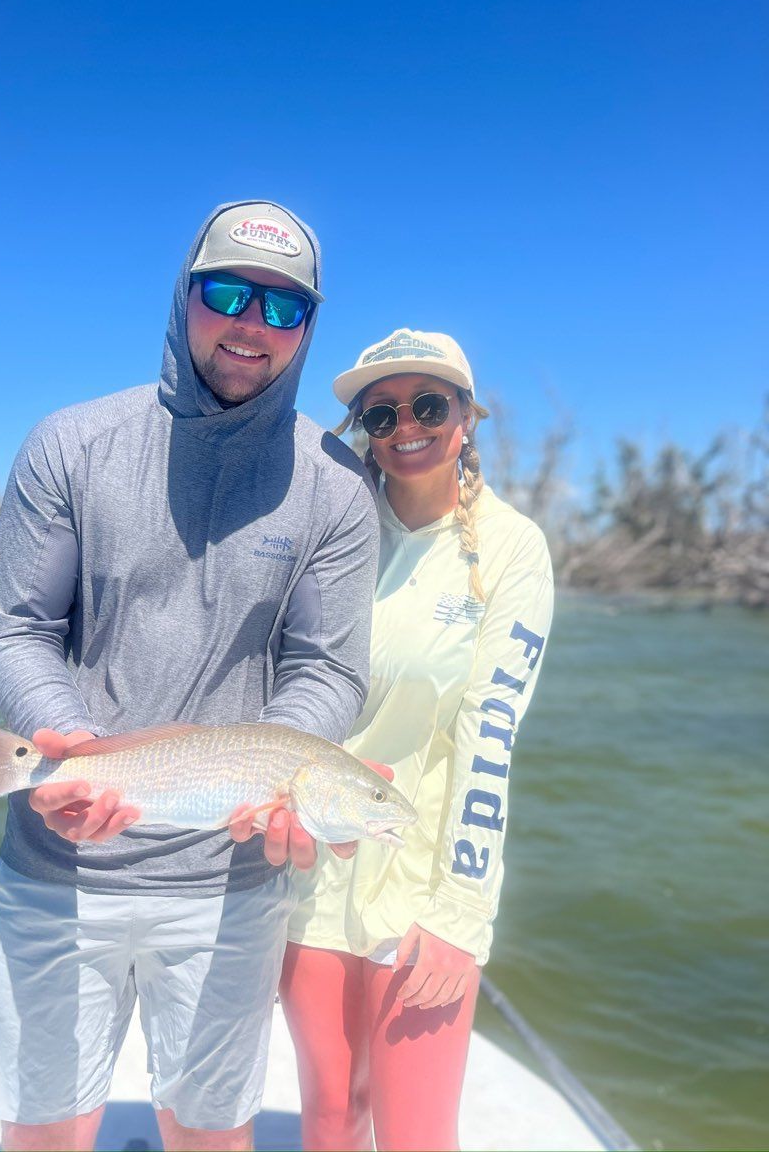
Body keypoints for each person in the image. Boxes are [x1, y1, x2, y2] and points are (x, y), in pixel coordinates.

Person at [0, 201, 379, 1152]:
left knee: (209, 1134)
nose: (250, 324)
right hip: (57, 867)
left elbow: (328, 667)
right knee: (41, 1134)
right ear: (184, 294)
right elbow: (17, 629)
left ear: (310, 328)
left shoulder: (337, 486)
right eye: (226, 293)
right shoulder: (70, 444)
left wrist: (286, 770)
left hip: (229, 881)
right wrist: (67, 746)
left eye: (283, 307)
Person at [281, 328, 554, 1152]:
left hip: (424, 880)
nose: (405, 427)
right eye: (380, 413)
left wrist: (460, 914)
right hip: (311, 872)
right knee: (330, 1116)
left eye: (428, 405)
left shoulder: (512, 551)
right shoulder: (331, 536)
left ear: (467, 417)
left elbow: (489, 740)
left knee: (414, 1134)